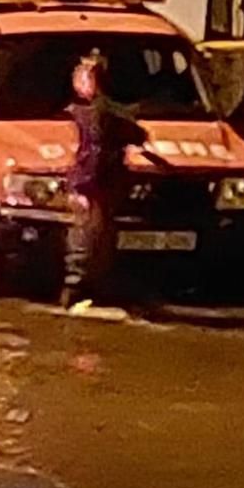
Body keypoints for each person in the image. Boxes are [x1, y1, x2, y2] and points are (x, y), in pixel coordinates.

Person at [62, 48, 147, 310]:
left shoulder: (80, 111)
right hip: (95, 182)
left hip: (94, 181)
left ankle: (82, 290)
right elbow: (136, 134)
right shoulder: (103, 113)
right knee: (89, 235)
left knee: (95, 236)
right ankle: (76, 290)